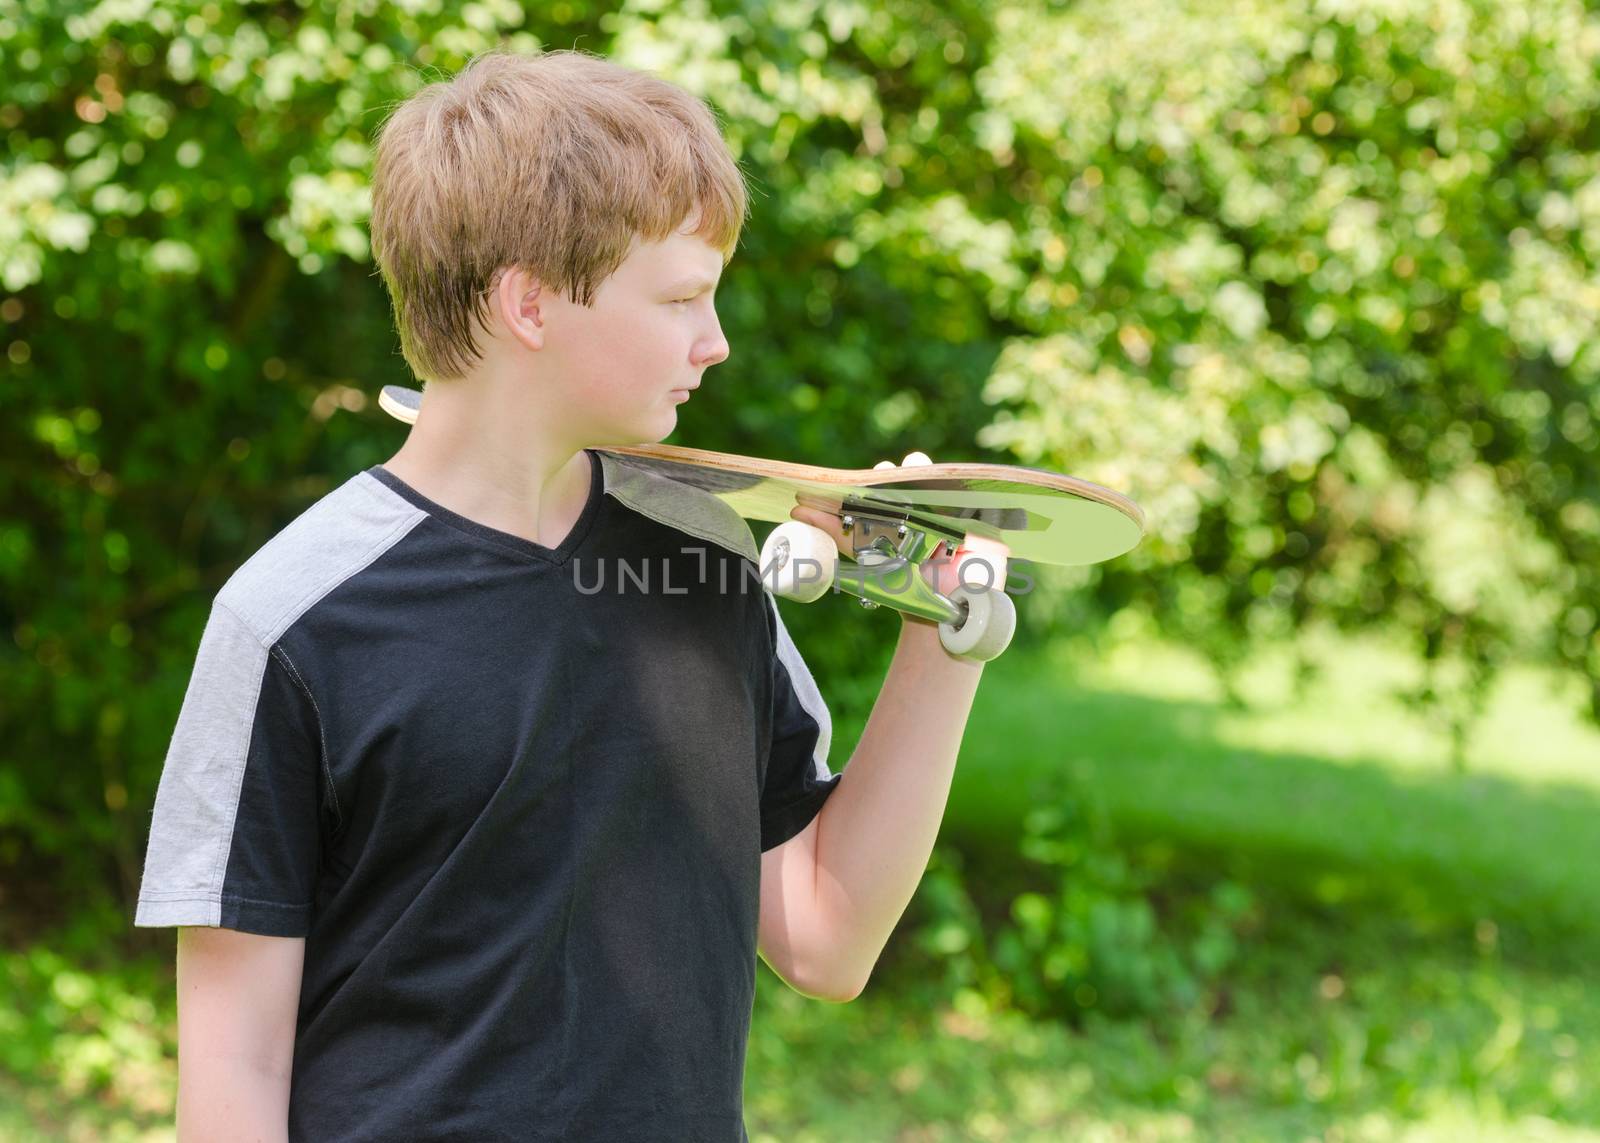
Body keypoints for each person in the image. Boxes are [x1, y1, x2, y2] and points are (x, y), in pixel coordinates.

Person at [134, 46, 998, 1142]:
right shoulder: (294, 620)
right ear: (529, 304)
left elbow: (824, 939)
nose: (715, 342)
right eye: (683, 297)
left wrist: (943, 634)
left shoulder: (705, 560)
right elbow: (234, 1066)